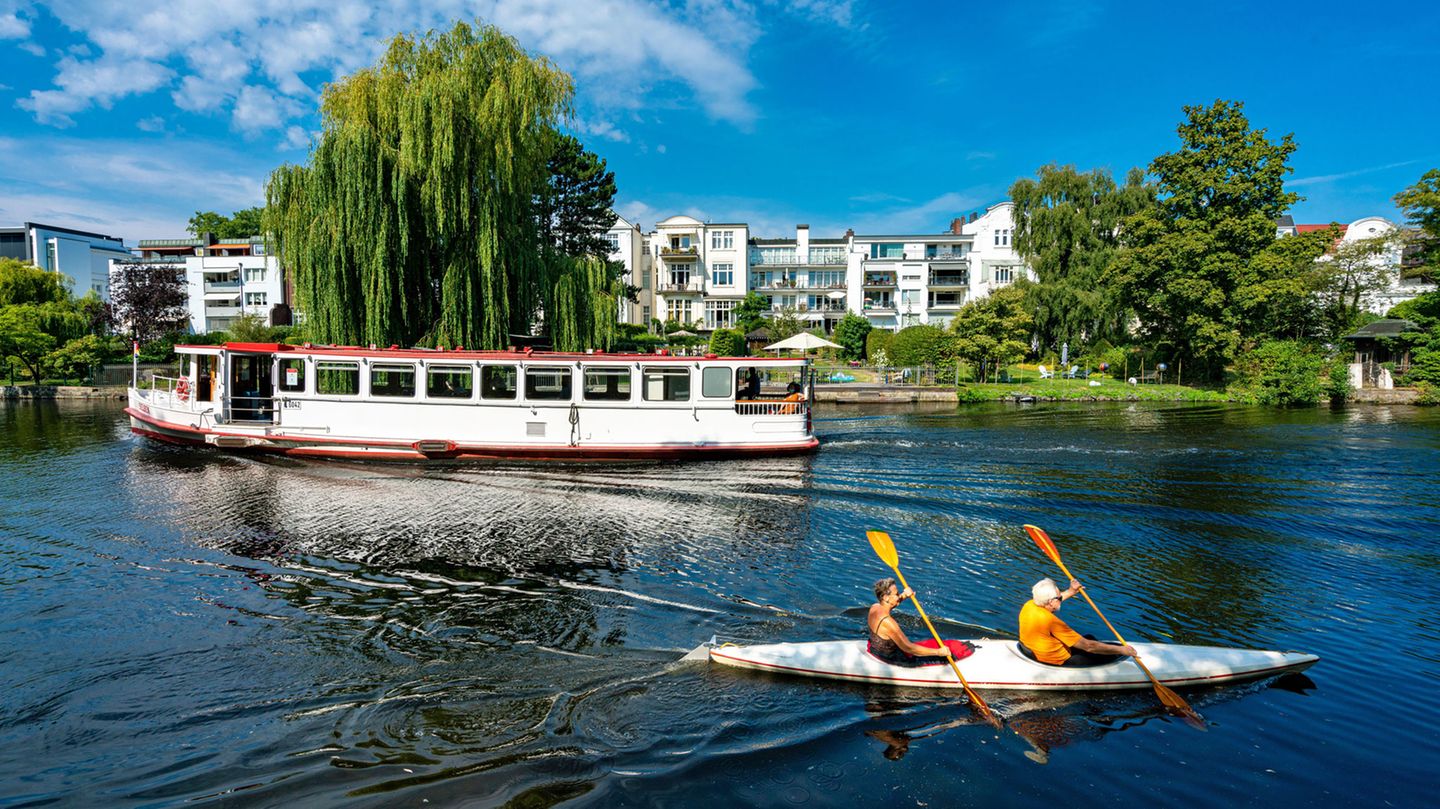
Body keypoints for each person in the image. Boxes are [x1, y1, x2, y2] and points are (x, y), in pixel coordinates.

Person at [1019, 578, 1136, 666]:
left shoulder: (1030, 605)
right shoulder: (1050, 620)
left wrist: (1071, 591)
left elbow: (1055, 600)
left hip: (1037, 652)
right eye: (1059, 598)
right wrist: (1122, 650)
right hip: (1058, 661)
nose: (1061, 599)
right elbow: (1088, 646)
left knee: (1090, 637)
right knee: (1105, 651)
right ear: (1050, 602)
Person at [867, 577, 973, 667]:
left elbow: (890, 604)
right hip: (890, 658)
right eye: (896, 593)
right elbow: (908, 648)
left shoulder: (874, 607)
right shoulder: (889, 623)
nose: (898, 595)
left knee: (933, 644)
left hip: (874, 650)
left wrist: (904, 595)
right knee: (946, 656)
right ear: (886, 597)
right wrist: (938, 652)